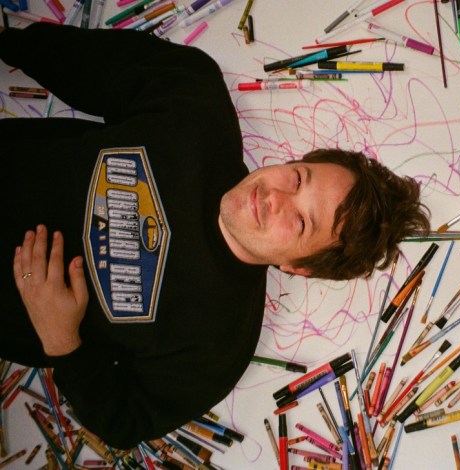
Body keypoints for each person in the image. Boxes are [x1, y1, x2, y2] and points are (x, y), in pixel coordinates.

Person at [0, 23, 430, 449]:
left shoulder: (219, 348)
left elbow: (125, 422)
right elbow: (66, 57)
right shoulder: (194, 96)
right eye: (298, 178)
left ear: (298, 266)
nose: (276, 197)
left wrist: (63, 342)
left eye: (302, 222)